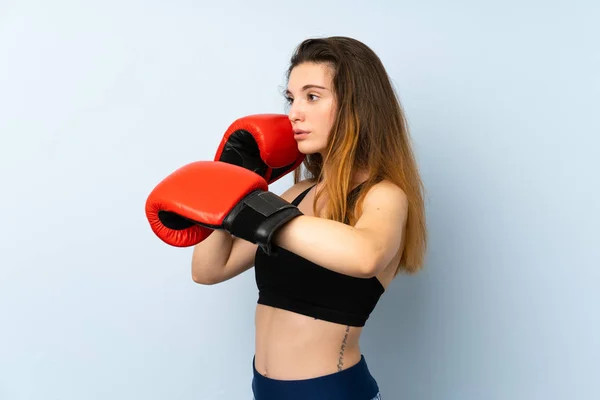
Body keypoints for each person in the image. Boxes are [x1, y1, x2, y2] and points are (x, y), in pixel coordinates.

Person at [146, 36, 427, 400]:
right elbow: (208, 270)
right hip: (264, 390)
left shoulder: (382, 196)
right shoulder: (298, 194)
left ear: (357, 106)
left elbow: (365, 256)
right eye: (291, 98)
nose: (294, 112)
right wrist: (229, 182)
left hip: (333, 392)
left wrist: (259, 212)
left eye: (312, 96)